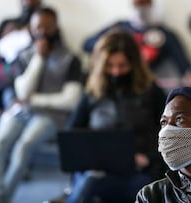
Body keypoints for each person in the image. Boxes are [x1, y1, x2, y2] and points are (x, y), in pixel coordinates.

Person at [60, 31, 166, 203]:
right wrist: (90, 158)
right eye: (110, 66)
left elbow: (171, 137)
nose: (116, 72)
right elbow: (72, 135)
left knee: (139, 192)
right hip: (98, 169)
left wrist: (148, 158)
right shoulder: (92, 93)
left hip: (139, 170)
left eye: (122, 66)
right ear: (101, 65)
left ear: (134, 64)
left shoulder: (151, 91)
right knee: (90, 181)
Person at [0, 7, 83, 203]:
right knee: (1, 141)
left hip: (51, 116)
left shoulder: (71, 58)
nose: (43, 32)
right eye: (38, 27)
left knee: (24, 145)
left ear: (56, 27)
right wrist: (39, 57)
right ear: (31, 28)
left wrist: (34, 100)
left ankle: (4, 197)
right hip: (22, 112)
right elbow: (22, 92)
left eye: (48, 27)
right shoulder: (24, 55)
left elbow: (70, 100)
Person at [83, 0, 191, 83]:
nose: (140, 10)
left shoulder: (164, 35)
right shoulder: (118, 27)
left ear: (151, 5)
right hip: (114, 80)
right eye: (136, 5)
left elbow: (185, 67)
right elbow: (86, 45)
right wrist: (110, 39)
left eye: (144, 5)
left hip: (147, 84)